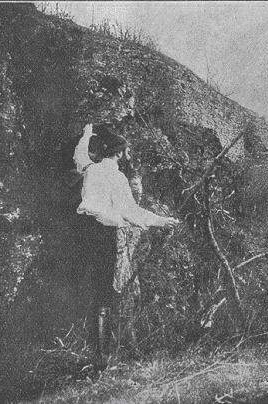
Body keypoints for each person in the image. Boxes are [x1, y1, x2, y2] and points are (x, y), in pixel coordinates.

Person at [74, 123, 179, 370]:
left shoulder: (90, 168)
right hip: (106, 235)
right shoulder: (117, 177)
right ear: (119, 153)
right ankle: (103, 357)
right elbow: (130, 211)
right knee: (107, 293)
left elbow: (79, 156)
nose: (127, 155)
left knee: (92, 289)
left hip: (84, 232)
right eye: (126, 151)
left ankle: (95, 352)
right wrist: (162, 221)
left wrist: (86, 134)